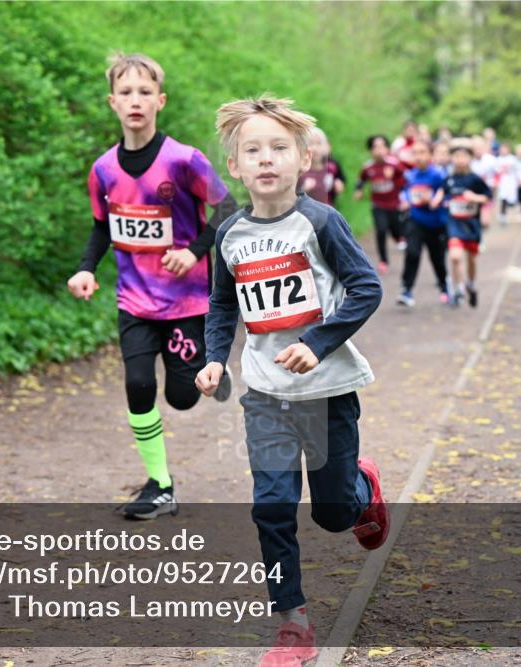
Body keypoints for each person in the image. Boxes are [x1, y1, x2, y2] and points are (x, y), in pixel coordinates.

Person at [199, 95, 388, 667]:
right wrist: (215, 359)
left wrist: (316, 343)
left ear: (304, 159)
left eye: (279, 148)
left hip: (327, 393)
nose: (266, 158)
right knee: (272, 507)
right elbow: (221, 304)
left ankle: (361, 488)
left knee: (333, 514)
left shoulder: (321, 222)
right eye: (253, 149)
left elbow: (366, 288)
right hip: (266, 395)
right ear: (234, 166)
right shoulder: (229, 233)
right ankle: (293, 627)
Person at [66, 53, 238, 520]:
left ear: (160, 101)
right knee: (139, 384)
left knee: (181, 397)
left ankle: (210, 364)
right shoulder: (103, 169)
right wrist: (86, 269)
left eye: (144, 92)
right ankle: (160, 485)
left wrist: (194, 252)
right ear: (113, 102)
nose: (135, 101)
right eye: (126, 93)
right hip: (134, 301)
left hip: (186, 302)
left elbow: (228, 209)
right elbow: (102, 226)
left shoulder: (184, 160)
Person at [398, 140, 449, 307]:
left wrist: (434, 199)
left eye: (422, 152)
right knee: (412, 252)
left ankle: (444, 286)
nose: (418, 157)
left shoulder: (438, 175)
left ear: (430, 155)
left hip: (436, 223)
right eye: (415, 153)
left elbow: (446, 193)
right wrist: (405, 200)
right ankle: (406, 290)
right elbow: (405, 192)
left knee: (437, 259)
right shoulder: (410, 175)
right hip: (416, 220)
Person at [443, 141, 492, 308]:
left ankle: (471, 284)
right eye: (456, 156)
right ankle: (458, 289)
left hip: (471, 226)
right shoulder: (449, 179)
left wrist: (475, 198)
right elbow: (442, 194)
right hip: (454, 224)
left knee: (471, 260)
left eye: (463, 156)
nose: (460, 160)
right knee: (455, 257)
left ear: (470, 158)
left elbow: (488, 197)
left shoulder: (475, 179)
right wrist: (439, 200)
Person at [353, 135, 406, 273]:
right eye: (375, 147)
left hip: (394, 204)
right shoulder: (368, 167)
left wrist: (395, 181)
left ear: (387, 149)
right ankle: (383, 261)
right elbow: (361, 180)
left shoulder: (394, 164)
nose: (379, 150)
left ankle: (399, 237)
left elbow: (406, 180)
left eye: (382, 146)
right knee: (381, 230)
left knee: (395, 228)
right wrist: (358, 190)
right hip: (378, 204)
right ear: (371, 150)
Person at [298, 127, 332, 204]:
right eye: (310, 144)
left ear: (326, 146)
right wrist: (304, 189)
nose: (314, 148)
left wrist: (339, 183)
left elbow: (339, 177)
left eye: (319, 143)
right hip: (307, 210)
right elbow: (292, 197)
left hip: (328, 209)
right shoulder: (300, 171)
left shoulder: (331, 168)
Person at [495, 142, 519, 227]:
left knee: (511, 199)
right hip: (503, 181)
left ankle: (507, 212)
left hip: (511, 181)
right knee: (503, 198)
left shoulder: (513, 159)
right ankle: (503, 215)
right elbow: (496, 170)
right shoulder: (498, 159)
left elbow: (517, 170)